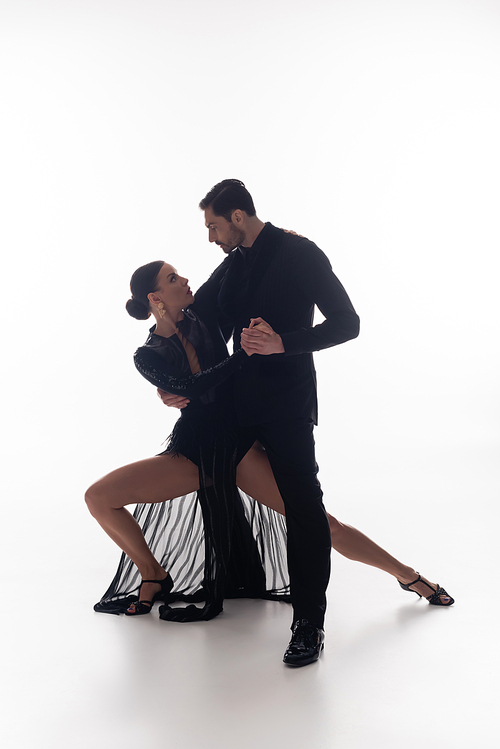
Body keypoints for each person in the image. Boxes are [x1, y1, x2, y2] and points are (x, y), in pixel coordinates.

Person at [158, 179, 454, 666]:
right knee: (202, 472)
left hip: (286, 406)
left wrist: (283, 343)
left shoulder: (301, 253)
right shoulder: (232, 266)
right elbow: (197, 318)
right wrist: (171, 378)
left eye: (213, 225)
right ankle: (209, 582)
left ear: (237, 216)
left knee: (305, 512)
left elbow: (347, 322)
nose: (210, 237)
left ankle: (308, 624)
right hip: (231, 404)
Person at [87, 258, 453, 639]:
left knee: (321, 524)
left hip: (238, 445)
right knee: (98, 497)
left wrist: (278, 236)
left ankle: (408, 576)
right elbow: (194, 389)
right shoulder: (146, 355)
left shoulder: (203, 312)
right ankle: (153, 573)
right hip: (195, 450)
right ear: (155, 298)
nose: (186, 280)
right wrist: (240, 356)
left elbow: (231, 262)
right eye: (173, 278)